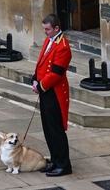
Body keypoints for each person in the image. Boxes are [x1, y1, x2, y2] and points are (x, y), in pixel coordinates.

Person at [32, 14, 72, 177]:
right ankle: (55, 160)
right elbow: (41, 63)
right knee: (47, 128)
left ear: (56, 28)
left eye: (47, 29)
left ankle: (64, 164)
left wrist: (40, 86)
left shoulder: (62, 46)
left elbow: (56, 74)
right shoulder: (50, 40)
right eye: (44, 29)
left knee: (56, 130)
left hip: (54, 93)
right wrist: (35, 79)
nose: (45, 32)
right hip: (45, 91)